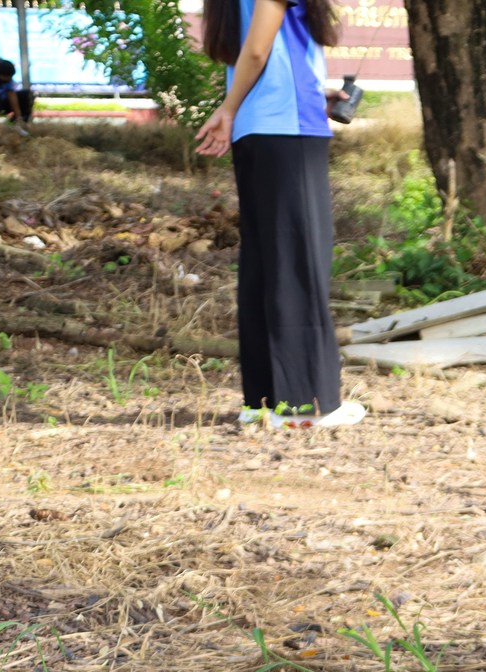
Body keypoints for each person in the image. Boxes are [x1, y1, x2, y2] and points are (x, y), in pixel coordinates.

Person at [195, 0, 364, 429]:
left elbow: (264, 51)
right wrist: (227, 109)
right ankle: (306, 406)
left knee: (265, 265)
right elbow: (257, 51)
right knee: (299, 263)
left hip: (259, 126)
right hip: (286, 126)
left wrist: (312, 91)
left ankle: (263, 400)